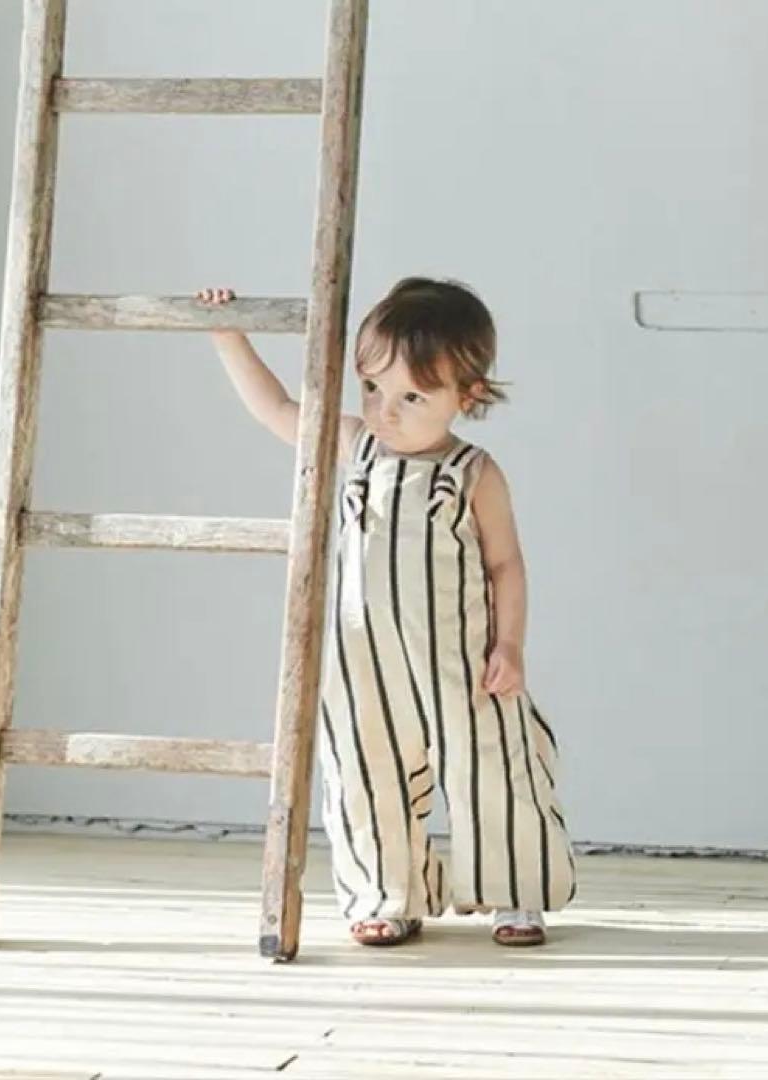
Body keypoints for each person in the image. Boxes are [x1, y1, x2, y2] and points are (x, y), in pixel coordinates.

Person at [198, 276, 576, 947]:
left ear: (468, 396)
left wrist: (510, 646)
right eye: (372, 388)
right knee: (364, 767)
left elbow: (506, 567)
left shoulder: (473, 473)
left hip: (459, 657)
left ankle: (515, 892)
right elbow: (277, 409)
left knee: (489, 764)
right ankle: (387, 893)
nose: (384, 411)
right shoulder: (357, 446)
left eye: (411, 397)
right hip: (363, 656)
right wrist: (229, 336)